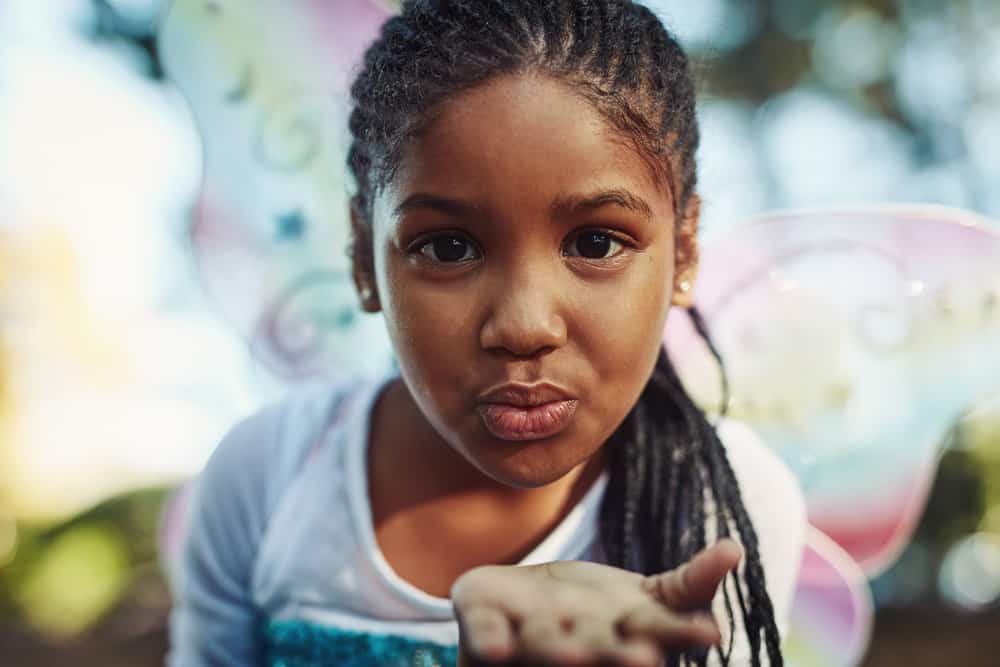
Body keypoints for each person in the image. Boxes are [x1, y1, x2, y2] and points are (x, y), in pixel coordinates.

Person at [166, 1, 807, 665]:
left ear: (685, 250)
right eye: (447, 248)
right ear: (364, 259)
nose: (524, 325)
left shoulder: (722, 503)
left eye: (595, 241)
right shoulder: (267, 475)